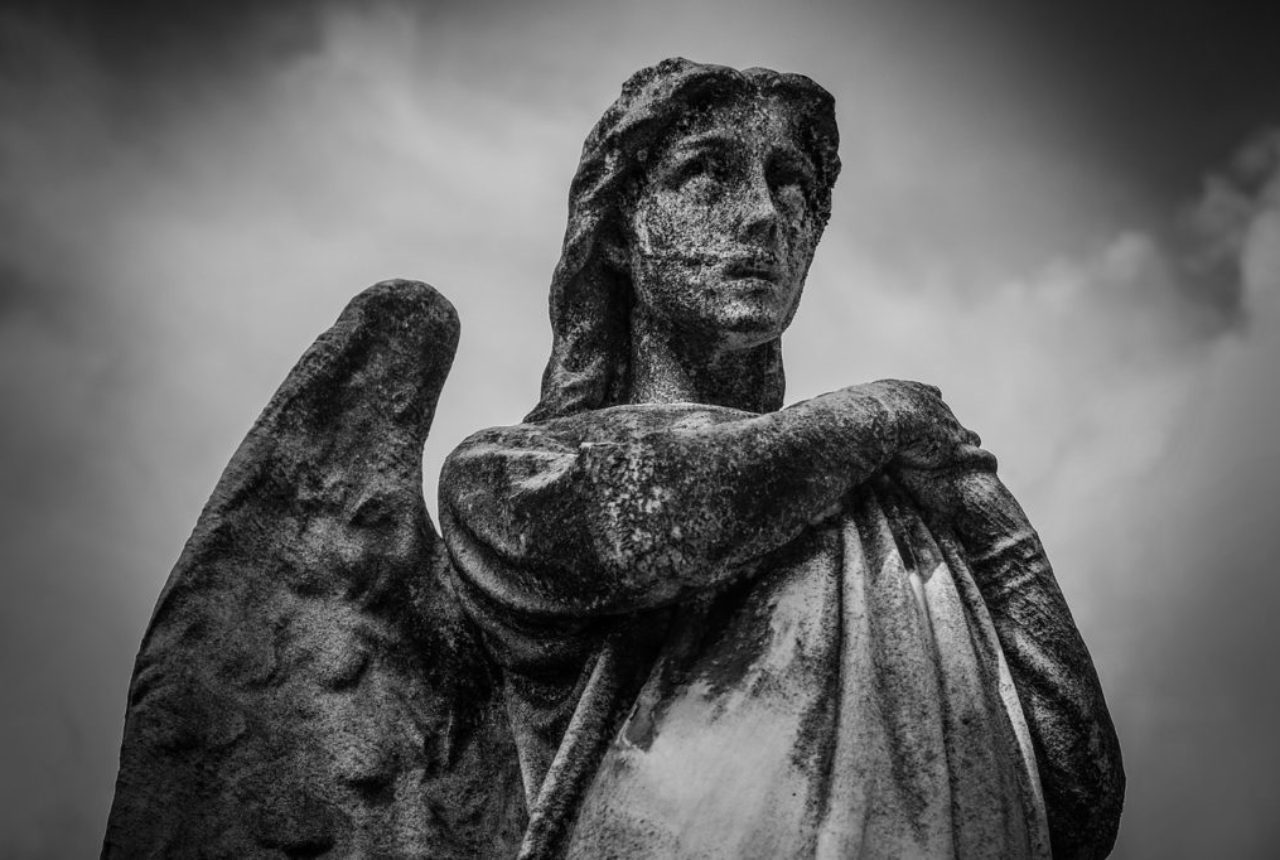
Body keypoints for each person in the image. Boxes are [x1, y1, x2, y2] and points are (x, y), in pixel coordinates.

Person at [440, 58, 1123, 859]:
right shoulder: (509, 478)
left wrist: (990, 522)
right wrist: (880, 417)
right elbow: (672, 518)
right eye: (707, 173)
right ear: (622, 228)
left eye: (792, 185)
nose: (763, 215)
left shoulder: (890, 507)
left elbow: (1076, 803)